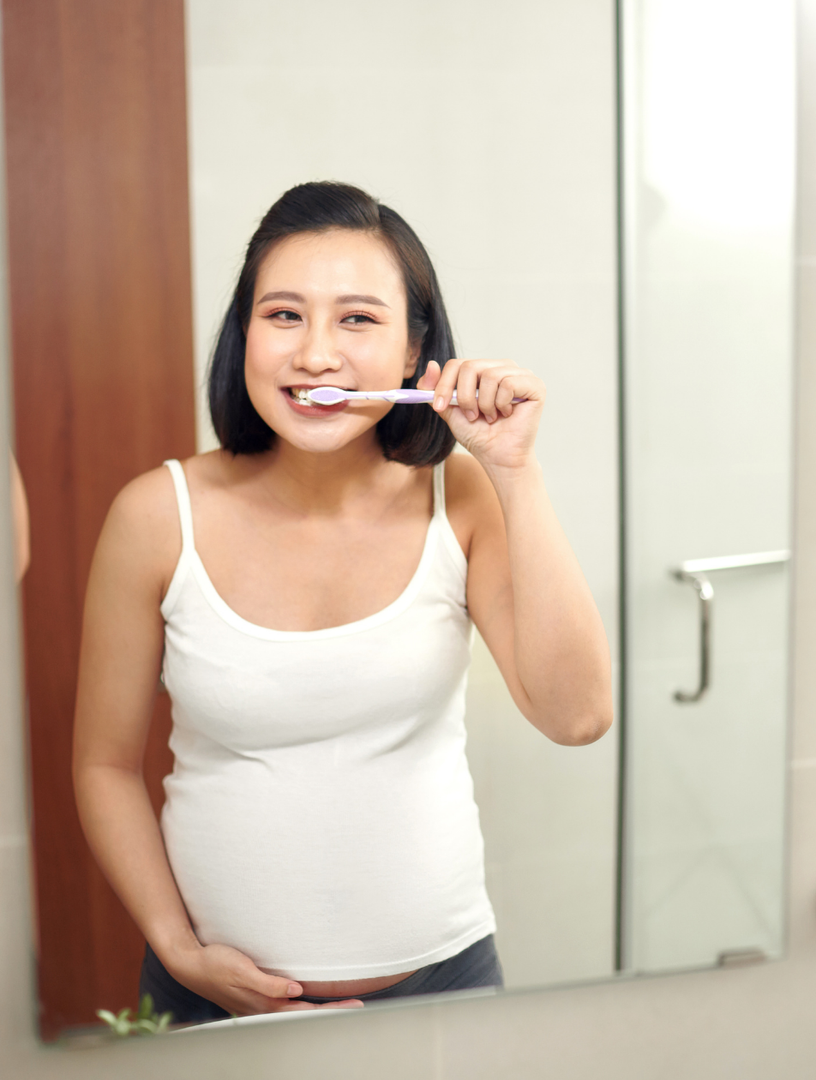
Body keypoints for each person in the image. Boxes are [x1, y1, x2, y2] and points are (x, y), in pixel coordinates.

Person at [71, 181, 613, 1023]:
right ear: (242, 334)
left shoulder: (461, 500)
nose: (315, 354)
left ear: (413, 351)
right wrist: (179, 950)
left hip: (442, 990)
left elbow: (577, 716)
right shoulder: (156, 514)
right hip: (206, 998)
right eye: (283, 315)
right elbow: (103, 765)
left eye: (357, 319)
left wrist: (515, 473)